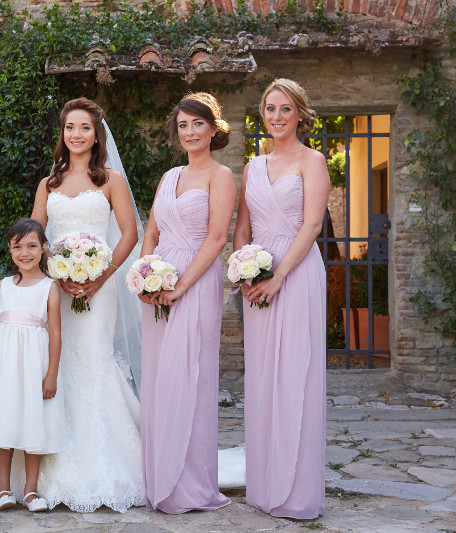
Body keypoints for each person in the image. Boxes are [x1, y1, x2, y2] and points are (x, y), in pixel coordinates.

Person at [30, 97, 146, 512]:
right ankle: (51, 464)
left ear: (96, 135)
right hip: (58, 289)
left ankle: (104, 464)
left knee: (93, 360)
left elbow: (130, 235)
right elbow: (35, 236)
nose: (76, 135)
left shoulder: (110, 180)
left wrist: (97, 278)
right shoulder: (50, 184)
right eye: (69, 128)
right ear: (61, 134)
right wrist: (56, 271)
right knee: (58, 364)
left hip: (102, 288)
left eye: (84, 128)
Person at [233, 78, 329, 519]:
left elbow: (311, 227)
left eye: (285, 109)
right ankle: (266, 486)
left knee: (297, 375)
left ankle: (297, 493)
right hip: (257, 277)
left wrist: (278, 277)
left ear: (300, 114)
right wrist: (242, 270)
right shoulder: (253, 166)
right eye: (270, 108)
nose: (276, 116)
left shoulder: (313, 161)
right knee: (263, 377)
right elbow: (242, 227)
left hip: (296, 271)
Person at [139, 93, 236, 513]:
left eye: (198, 124)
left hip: (195, 282)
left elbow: (217, 239)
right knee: (160, 378)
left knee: (192, 378)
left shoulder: (222, 175)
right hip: (158, 284)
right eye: (183, 125)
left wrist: (180, 286)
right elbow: (151, 233)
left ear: (213, 129)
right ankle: (159, 475)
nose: (190, 132)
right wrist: (144, 275)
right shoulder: (169, 176)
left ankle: (191, 482)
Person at [0, 218, 64, 513]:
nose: (25, 253)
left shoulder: (49, 287)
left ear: (44, 249)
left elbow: (55, 334)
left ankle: (30, 490)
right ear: (9, 249)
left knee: (34, 422)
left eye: (32, 246)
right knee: (3, 421)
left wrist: (51, 375)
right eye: (18, 247)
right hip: (3, 364)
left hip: (35, 366)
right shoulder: (5, 285)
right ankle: (4, 489)